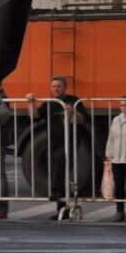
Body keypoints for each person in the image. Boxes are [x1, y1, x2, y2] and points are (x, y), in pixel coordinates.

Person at [39, 78, 82, 220]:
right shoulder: (49, 103)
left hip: (70, 139)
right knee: (57, 172)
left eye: (58, 86)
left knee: (59, 158)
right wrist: (30, 103)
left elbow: (83, 119)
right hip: (53, 140)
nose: (56, 89)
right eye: (53, 86)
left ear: (65, 87)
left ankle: (55, 191)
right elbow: (34, 116)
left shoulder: (73, 100)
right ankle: (60, 208)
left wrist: (73, 112)